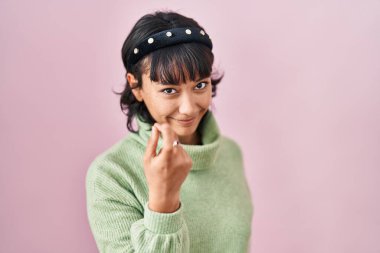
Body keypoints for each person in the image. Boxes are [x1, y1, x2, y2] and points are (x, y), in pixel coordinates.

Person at [85, 10, 254, 253]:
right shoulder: (111, 174)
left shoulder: (230, 153)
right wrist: (164, 202)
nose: (187, 108)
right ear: (136, 87)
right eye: (169, 90)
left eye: (200, 85)